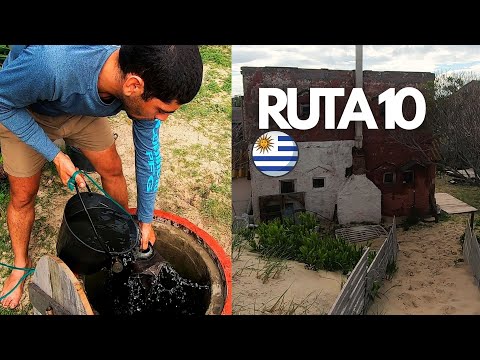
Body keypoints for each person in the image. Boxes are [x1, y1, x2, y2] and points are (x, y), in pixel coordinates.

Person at [0, 45, 204, 309]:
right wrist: (56, 156)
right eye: (162, 110)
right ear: (133, 85)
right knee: (23, 196)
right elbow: (3, 103)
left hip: (80, 110)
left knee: (112, 170)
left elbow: (148, 155)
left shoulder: (137, 80)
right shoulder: (48, 65)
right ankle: (19, 264)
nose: (162, 119)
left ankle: (123, 242)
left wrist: (144, 220)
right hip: (25, 109)